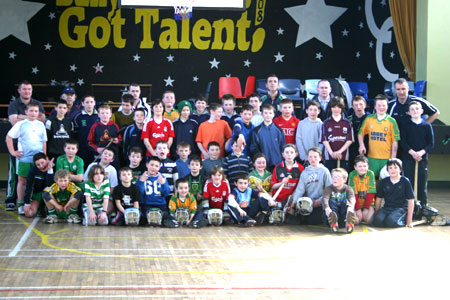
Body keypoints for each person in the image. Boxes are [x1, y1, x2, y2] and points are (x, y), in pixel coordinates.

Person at [6, 80, 46, 211]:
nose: (34, 113)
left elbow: (43, 137)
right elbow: (10, 131)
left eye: (36, 111)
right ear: (19, 90)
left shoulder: (40, 125)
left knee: (37, 180)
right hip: (23, 156)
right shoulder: (19, 120)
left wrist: (44, 156)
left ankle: (36, 204)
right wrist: (13, 152)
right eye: (24, 89)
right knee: (21, 180)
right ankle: (19, 203)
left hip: (38, 158)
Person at [400, 101, 434, 207]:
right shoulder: (405, 125)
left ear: (422, 111)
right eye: (412, 109)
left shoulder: (427, 126)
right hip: (408, 158)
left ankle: (422, 206)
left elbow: (431, 143)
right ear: (409, 112)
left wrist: (421, 153)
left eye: (417, 109)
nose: (415, 111)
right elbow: (403, 142)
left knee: (422, 183)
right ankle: (409, 207)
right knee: (409, 182)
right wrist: (412, 152)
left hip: (422, 159)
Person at [358, 95, 400, 177]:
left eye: (384, 105)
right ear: (375, 107)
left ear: (387, 106)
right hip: (372, 157)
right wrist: (361, 145)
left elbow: (395, 141)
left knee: (385, 183)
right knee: (371, 182)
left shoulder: (392, 121)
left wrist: (393, 159)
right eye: (379, 105)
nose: (381, 107)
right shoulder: (369, 119)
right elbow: (361, 133)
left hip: (386, 158)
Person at [289, 147, 332, 225]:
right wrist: (294, 202)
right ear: (307, 158)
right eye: (310, 157)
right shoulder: (305, 172)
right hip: (307, 203)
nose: (313, 159)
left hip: (320, 203)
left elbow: (329, 190)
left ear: (320, 158)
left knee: (313, 221)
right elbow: (300, 189)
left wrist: (320, 201)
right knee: (301, 218)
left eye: (315, 157)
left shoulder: (325, 171)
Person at [137, 156, 179, 227]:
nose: (153, 167)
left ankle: (167, 221)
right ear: (147, 165)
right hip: (147, 204)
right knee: (144, 218)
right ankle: (155, 221)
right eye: (152, 165)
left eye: (156, 166)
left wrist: (163, 184)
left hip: (160, 204)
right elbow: (139, 194)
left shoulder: (161, 177)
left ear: (159, 168)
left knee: (165, 215)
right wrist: (141, 182)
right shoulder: (142, 177)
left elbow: (166, 193)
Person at [372, 158, 414, 228]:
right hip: (387, 208)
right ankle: (387, 219)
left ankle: (403, 217)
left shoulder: (405, 181)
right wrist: (376, 214)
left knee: (391, 222)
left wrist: (409, 220)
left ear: (400, 169)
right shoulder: (384, 182)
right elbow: (379, 199)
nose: (393, 170)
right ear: (387, 170)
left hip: (400, 208)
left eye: (395, 168)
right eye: (390, 168)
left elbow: (411, 200)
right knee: (377, 221)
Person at [321, 96, 353, 171]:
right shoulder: (326, 123)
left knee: (343, 178)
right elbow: (324, 140)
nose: (336, 109)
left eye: (339, 107)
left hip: (343, 156)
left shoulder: (347, 123)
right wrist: (331, 153)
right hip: (329, 157)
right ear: (330, 108)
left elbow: (349, 140)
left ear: (342, 108)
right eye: (334, 107)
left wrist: (339, 152)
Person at [250, 103, 285, 170]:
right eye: (265, 113)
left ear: (274, 114)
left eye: (270, 113)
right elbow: (254, 148)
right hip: (263, 165)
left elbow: (282, 147)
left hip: (277, 164)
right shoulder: (256, 131)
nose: (268, 115)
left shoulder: (279, 131)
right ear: (262, 114)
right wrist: (261, 160)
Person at [322, 168, 356, 233]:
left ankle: (349, 223)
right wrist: (327, 208)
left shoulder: (348, 189)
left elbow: (352, 198)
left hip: (343, 218)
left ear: (345, 179)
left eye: (338, 177)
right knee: (331, 201)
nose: (335, 178)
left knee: (345, 201)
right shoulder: (328, 189)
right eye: (333, 177)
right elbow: (324, 199)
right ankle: (333, 222)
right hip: (330, 216)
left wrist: (350, 208)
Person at [87, 103, 121, 168]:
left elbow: (121, 140)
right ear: (98, 115)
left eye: (107, 113)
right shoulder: (95, 126)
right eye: (102, 113)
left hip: (113, 157)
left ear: (110, 114)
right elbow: (89, 143)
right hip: (99, 156)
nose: (105, 115)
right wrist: (97, 149)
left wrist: (118, 141)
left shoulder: (115, 126)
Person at [23, 153, 55, 217]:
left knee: (47, 190)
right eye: (38, 164)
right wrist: (27, 203)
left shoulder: (54, 167)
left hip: (50, 194)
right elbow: (29, 186)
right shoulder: (33, 170)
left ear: (46, 159)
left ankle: (47, 208)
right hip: (38, 194)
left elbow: (50, 184)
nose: (41, 166)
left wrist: (50, 170)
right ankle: (40, 208)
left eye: (42, 163)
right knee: (29, 213)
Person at [348, 155, 376, 225]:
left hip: (368, 205)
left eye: (364, 166)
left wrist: (366, 209)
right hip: (356, 204)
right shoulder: (352, 175)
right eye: (360, 166)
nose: (362, 168)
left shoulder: (370, 174)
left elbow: (371, 193)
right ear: (355, 167)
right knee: (356, 221)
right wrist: (358, 209)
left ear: (368, 166)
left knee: (368, 220)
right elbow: (353, 194)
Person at [73, 95, 99, 167]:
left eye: (91, 102)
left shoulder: (99, 116)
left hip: (95, 148)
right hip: (82, 148)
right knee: (83, 167)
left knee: (95, 168)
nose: (89, 104)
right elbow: (74, 134)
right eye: (87, 102)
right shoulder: (77, 116)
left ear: (95, 103)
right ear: (83, 103)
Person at [348, 96, 370, 171]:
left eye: (361, 104)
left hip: (368, 149)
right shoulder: (348, 120)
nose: (358, 107)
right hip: (352, 149)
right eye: (356, 105)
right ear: (352, 107)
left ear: (365, 105)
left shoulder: (370, 118)